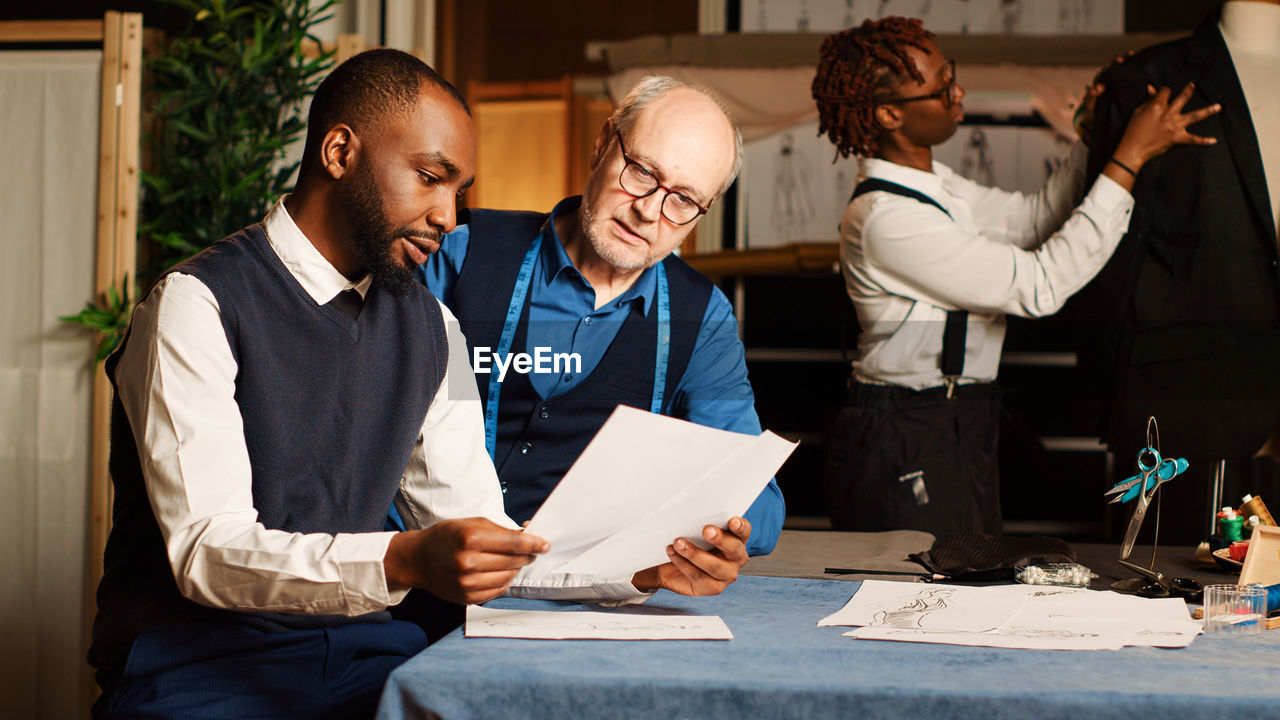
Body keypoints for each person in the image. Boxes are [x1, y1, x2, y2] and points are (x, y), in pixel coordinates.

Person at [89, 50, 753, 720]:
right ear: (341, 151)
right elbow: (207, 551)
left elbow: (480, 526)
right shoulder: (194, 303)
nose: (447, 215)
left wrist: (641, 572)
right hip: (198, 673)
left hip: (369, 666)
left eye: (457, 191)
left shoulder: (435, 326)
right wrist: (403, 560)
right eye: (430, 179)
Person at [811, 16, 1220, 535]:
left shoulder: (935, 186)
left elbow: (1031, 220)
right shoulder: (885, 219)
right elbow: (1038, 286)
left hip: (960, 418)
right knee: (919, 597)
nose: (958, 91)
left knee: (967, 585)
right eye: (940, 87)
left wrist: (1095, 135)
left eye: (950, 73)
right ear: (890, 113)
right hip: (906, 427)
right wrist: (1129, 157)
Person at [417, 75, 785, 556]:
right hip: (426, 579)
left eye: (684, 201)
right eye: (643, 173)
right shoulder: (458, 257)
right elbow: (371, 432)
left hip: (584, 599)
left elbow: (761, 504)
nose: (649, 212)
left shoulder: (703, 317)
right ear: (602, 144)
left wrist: (711, 532)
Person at [1074, 0, 1280, 545]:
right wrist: (1105, 397)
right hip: (1193, 390)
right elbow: (1112, 254)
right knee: (1179, 594)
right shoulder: (1147, 80)